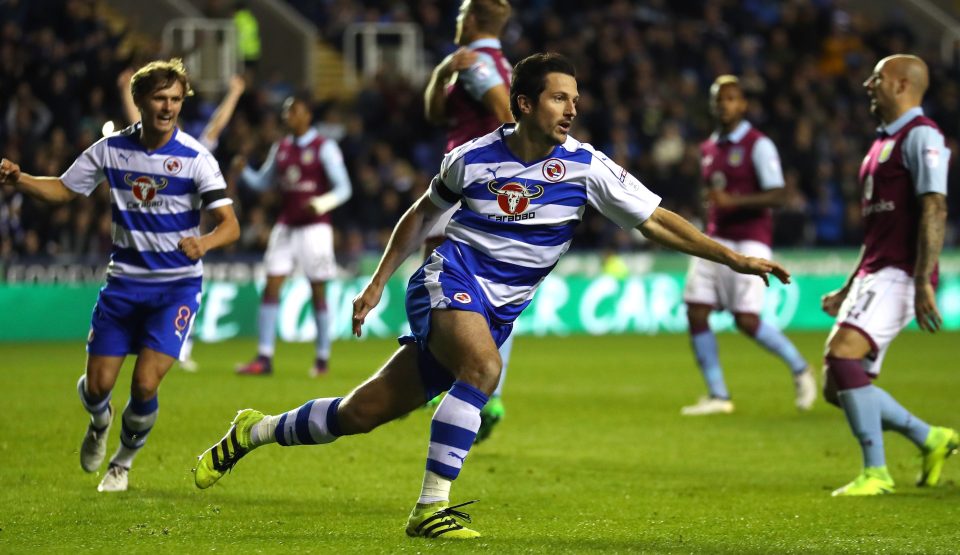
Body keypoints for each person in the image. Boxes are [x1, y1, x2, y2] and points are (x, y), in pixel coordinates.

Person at [193, 53, 789, 539]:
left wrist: (732, 256)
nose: (572, 109)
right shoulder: (471, 159)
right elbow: (421, 212)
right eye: (560, 97)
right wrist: (378, 282)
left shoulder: (587, 168)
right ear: (525, 103)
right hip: (448, 279)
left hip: (496, 309)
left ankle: (255, 430)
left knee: (360, 413)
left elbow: (656, 221)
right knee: (484, 368)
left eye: (576, 100)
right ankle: (431, 508)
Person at [0, 58, 240, 492]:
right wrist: (20, 180)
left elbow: (230, 224)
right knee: (97, 387)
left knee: (145, 383)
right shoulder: (111, 150)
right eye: (159, 98)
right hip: (124, 286)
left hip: (175, 289)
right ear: (139, 101)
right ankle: (99, 423)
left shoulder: (195, 158)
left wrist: (203, 243)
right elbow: (63, 188)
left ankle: (122, 463)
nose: (168, 107)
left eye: (175, 99)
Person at [821, 54, 957, 496]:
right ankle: (930, 438)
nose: (867, 84)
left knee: (843, 357)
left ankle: (876, 472)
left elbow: (935, 205)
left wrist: (922, 281)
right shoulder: (882, 143)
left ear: (901, 85)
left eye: (876, 78)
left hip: (901, 272)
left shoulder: (923, 136)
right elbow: (878, 228)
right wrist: (848, 285)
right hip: (875, 272)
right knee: (835, 385)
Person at [680, 75, 816, 416]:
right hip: (714, 239)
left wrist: (732, 202)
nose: (723, 105)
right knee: (696, 310)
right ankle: (718, 395)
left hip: (750, 239)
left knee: (746, 320)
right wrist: (711, 203)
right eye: (718, 99)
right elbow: (715, 194)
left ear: (742, 105)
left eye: (730, 99)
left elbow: (779, 194)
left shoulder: (759, 144)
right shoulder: (708, 148)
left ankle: (801, 369)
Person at [422, 0, 514, 442]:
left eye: (460, 16)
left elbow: (507, 114)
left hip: (466, 187)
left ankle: (457, 387)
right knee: (492, 293)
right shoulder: (498, 62)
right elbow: (437, 113)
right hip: (482, 188)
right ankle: (483, 393)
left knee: (437, 276)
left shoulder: (477, 64)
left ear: (473, 19)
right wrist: (442, 75)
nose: (456, 22)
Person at [118, 70, 247, 371]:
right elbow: (133, 119)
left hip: (184, 229)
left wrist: (235, 93)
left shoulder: (193, 152)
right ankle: (154, 343)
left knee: (183, 285)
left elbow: (216, 127)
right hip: (147, 230)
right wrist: (126, 90)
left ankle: (180, 345)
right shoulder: (144, 142)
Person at [234, 94, 353, 377]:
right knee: (271, 285)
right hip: (286, 225)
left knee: (317, 290)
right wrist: (244, 172)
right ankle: (264, 357)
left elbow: (344, 188)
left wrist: (321, 203)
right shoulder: (282, 147)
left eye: (295, 110)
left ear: (308, 116)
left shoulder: (324, 147)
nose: (289, 116)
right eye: (287, 111)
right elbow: (264, 182)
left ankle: (322, 358)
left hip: (315, 228)